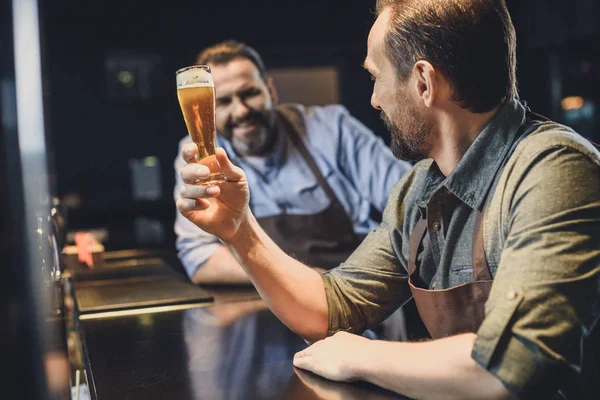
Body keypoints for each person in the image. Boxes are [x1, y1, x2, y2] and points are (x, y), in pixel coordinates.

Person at [176, 0, 600, 398]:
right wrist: (240, 229)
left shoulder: (555, 168)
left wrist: (364, 355)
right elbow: (331, 308)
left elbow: (510, 366)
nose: (374, 99)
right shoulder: (420, 187)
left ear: (423, 82)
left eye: (376, 77)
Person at [174, 40, 412, 286]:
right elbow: (200, 260)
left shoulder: (332, 128)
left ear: (270, 90)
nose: (241, 110)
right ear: (209, 108)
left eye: (250, 93)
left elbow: (409, 204)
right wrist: (305, 280)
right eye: (223, 101)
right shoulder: (200, 157)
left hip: (361, 293)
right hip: (271, 308)